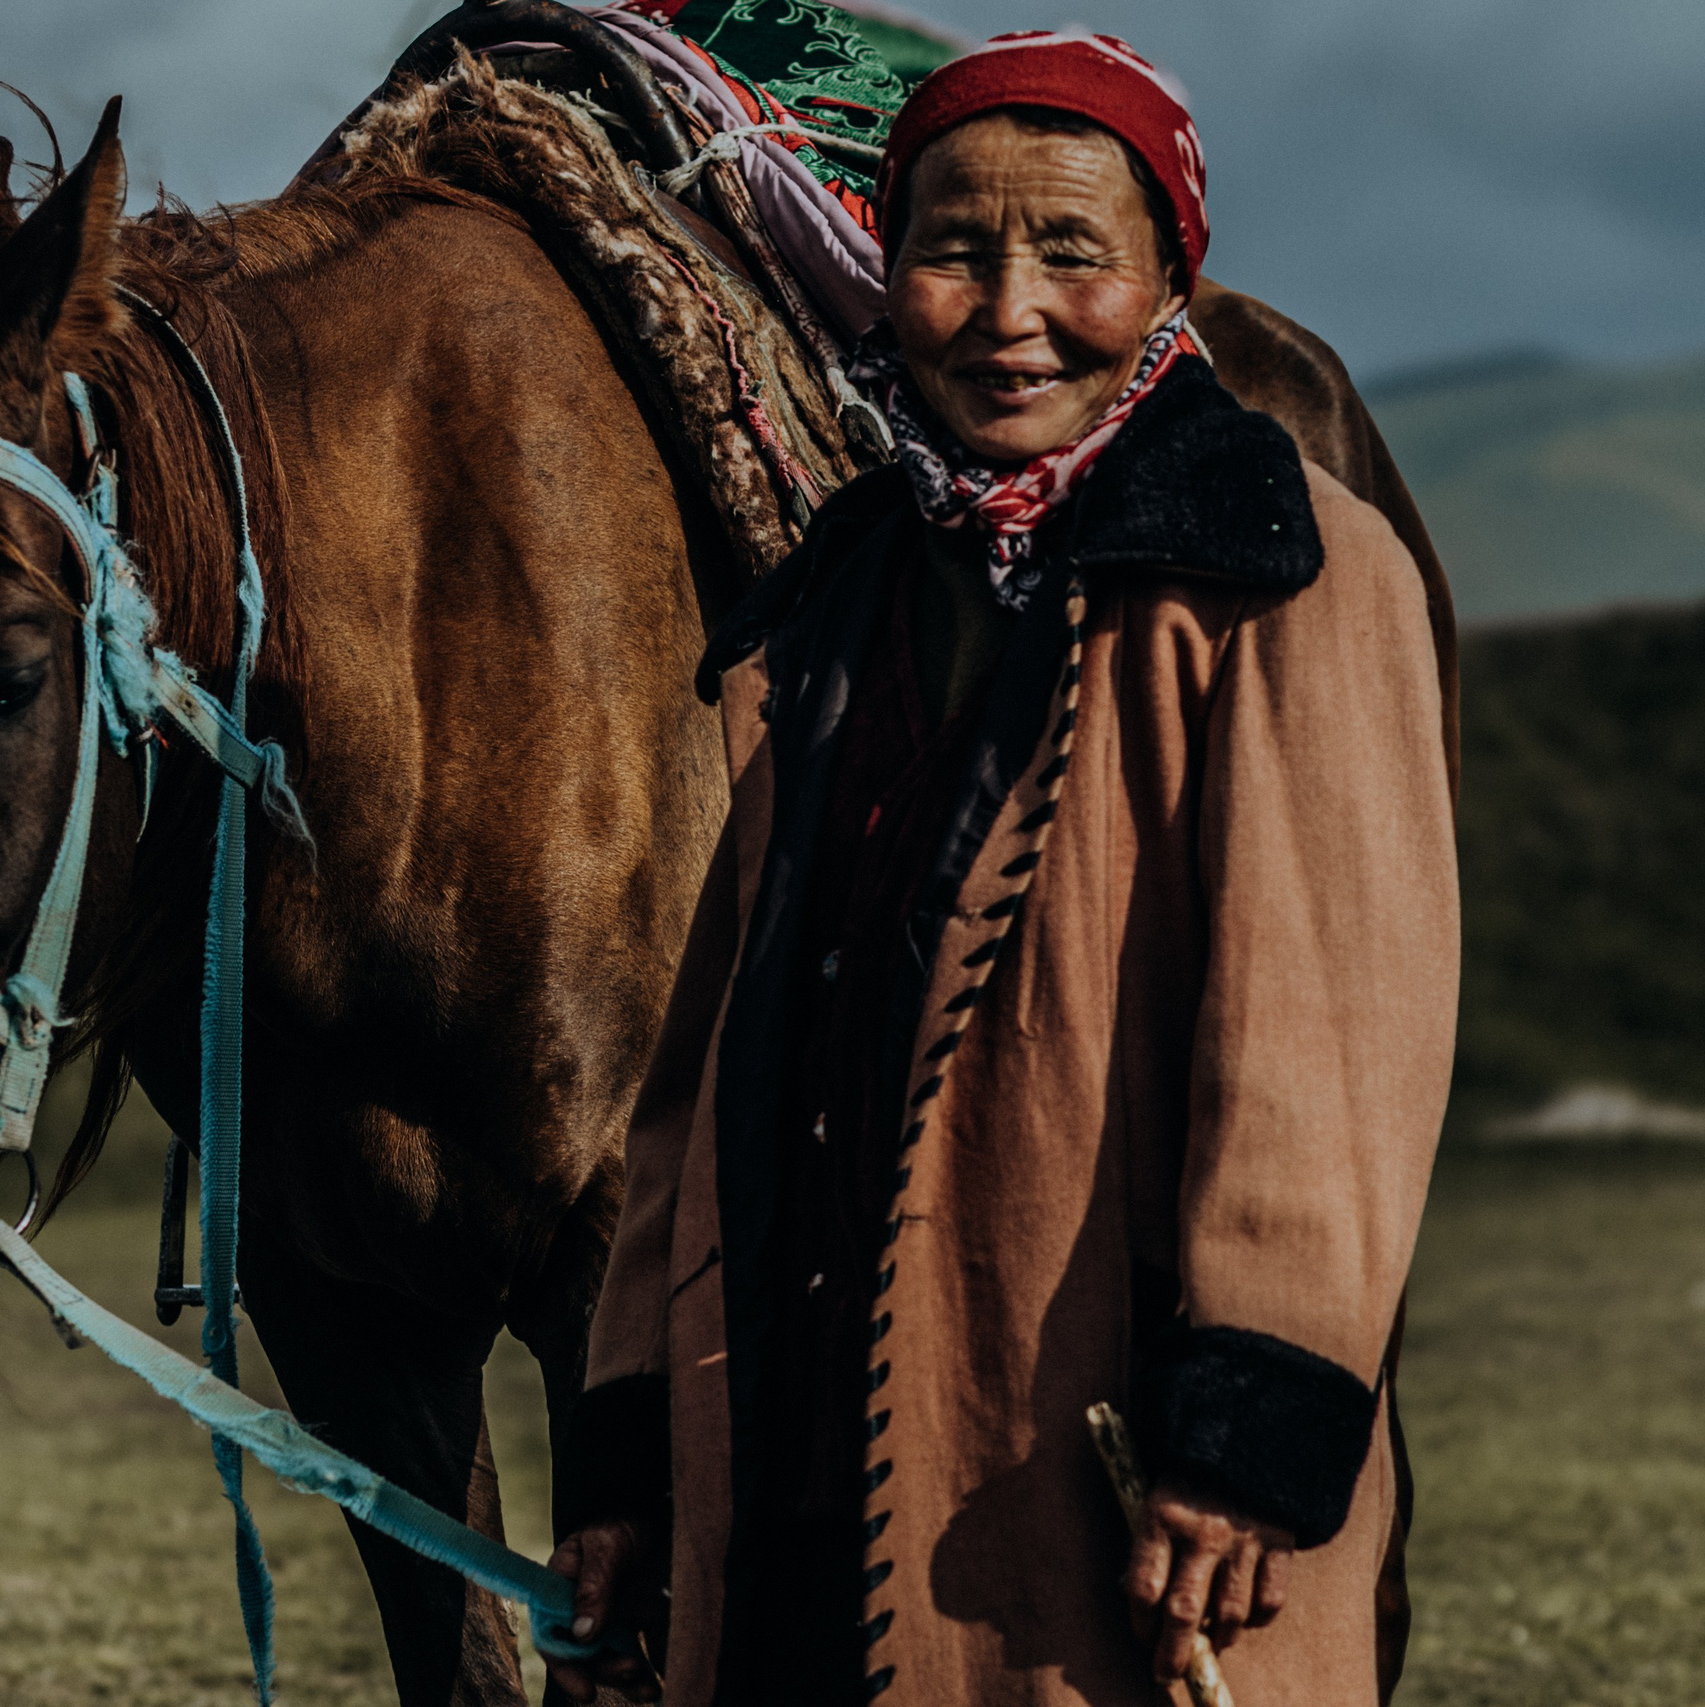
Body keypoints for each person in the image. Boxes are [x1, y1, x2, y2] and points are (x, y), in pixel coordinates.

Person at [545, 28, 1458, 1707]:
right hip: (795, 1459)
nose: (1009, 308)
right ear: (884, 272)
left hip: (1111, 1463)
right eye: (953, 251)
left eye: (1073, 253)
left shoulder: (1286, 577)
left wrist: (1247, 1429)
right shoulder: (838, 592)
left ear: (1170, 279)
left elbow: (1331, 1060)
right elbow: (700, 1083)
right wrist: (629, 1454)